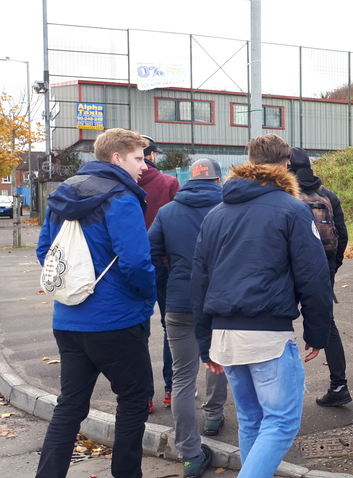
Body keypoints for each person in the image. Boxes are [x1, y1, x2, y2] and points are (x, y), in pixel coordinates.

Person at [191, 134, 332, 478]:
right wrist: (317, 331)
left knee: (253, 419)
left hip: (225, 333)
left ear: (249, 161)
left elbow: (199, 281)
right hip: (267, 334)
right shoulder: (294, 210)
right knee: (282, 424)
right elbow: (313, 276)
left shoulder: (216, 214)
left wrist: (205, 343)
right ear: (286, 165)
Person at [35, 128, 156, 478]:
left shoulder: (63, 193)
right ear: (117, 158)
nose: (144, 166)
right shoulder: (121, 197)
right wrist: (147, 296)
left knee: (70, 406)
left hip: (69, 319)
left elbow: (46, 251)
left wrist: (75, 284)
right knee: (134, 400)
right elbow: (135, 262)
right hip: (117, 320)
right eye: (138, 158)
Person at [148, 158, 229, 478]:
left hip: (179, 302)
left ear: (189, 181)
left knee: (182, 377)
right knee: (217, 359)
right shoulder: (228, 209)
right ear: (218, 180)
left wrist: (167, 282)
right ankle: (212, 415)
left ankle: (190, 454)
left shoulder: (167, 212)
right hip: (219, 300)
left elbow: (150, 253)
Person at [287, 147, 351, 407]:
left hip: (291, 269)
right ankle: (339, 385)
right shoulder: (327, 194)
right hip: (324, 268)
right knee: (328, 324)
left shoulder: (286, 195)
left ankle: (285, 394)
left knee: (282, 323)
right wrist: (333, 266)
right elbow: (343, 234)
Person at [138, 135, 180, 411]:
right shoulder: (168, 183)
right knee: (170, 327)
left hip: (129, 265)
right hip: (165, 263)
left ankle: (143, 396)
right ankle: (171, 389)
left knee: (137, 329)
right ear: (150, 155)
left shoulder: (121, 185)